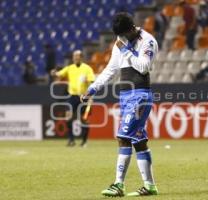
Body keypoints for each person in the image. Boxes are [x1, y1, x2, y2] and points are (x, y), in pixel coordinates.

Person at [82, 13, 159, 197]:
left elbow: (144, 67)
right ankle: (150, 186)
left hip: (140, 95)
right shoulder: (121, 40)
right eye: (120, 35)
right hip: (125, 96)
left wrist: (125, 50)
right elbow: (111, 69)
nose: (122, 38)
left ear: (132, 28)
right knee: (139, 140)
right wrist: (93, 89)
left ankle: (118, 185)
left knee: (123, 137)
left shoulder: (147, 41)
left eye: (125, 34)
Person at [51, 50, 95, 147]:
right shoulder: (69, 68)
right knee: (68, 117)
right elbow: (59, 74)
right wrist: (54, 73)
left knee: (84, 120)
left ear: (81, 57)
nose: (75, 58)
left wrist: (91, 96)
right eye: (74, 56)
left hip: (84, 96)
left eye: (77, 56)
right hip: (72, 96)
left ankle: (84, 141)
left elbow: (92, 82)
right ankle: (71, 140)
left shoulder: (87, 68)